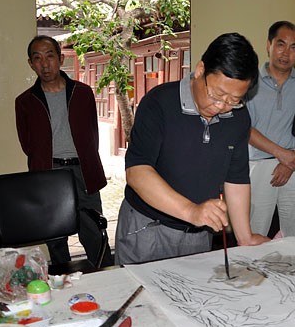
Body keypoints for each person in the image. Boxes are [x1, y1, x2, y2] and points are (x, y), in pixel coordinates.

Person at [114, 32, 270, 265]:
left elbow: (236, 178)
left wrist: (244, 237)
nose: (220, 106)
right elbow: (137, 172)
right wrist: (191, 211)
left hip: (197, 235)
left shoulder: (238, 118)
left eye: (233, 100)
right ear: (200, 70)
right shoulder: (159, 103)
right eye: (217, 94)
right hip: (148, 230)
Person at [15, 35, 113, 266]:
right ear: (31, 63)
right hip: (48, 173)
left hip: (82, 170)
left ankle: (106, 274)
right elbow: (27, 144)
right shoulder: (25, 101)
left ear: (60, 59)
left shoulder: (83, 93)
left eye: (50, 56)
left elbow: (92, 133)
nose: (45, 64)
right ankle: (62, 278)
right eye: (37, 58)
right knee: (55, 236)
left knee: (93, 230)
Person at [246, 21, 295, 238]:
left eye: (294, 47)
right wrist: (282, 155)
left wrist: (291, 161)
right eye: (280, 44)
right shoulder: (249, 82)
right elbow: (245, 128)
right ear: (268, 45)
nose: (286, 53)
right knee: (253, 232)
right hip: (258, 165)